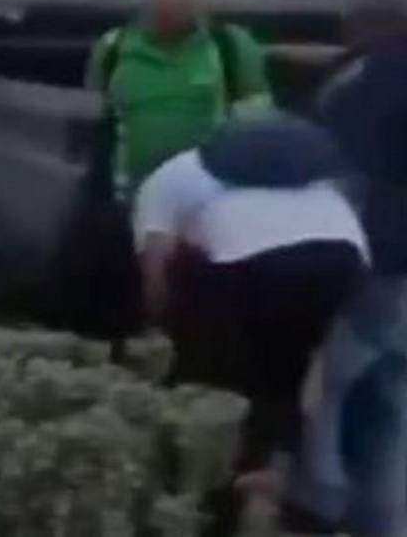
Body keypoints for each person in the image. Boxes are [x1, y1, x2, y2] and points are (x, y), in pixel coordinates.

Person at [132, 117, 368, 475]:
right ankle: (275, 468)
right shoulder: (312, 177)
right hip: (342, 258)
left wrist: (163, 336)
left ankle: (216, 470)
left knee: (219, 377)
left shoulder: (163, 183)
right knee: (289, 369)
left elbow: (156, 271)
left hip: (248, 266)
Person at [273, 0, 407, 537]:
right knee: (389, 410)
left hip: (368, 268)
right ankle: (378, 522)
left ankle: (317, 511)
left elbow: (333, 176)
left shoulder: (361, 79)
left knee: (330, 396)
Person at [86, 0, 273, 202]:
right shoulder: (111, 49)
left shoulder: (231, 47)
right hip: (129, 202)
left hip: (210, 202)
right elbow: (94, 127)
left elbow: (257, 131)